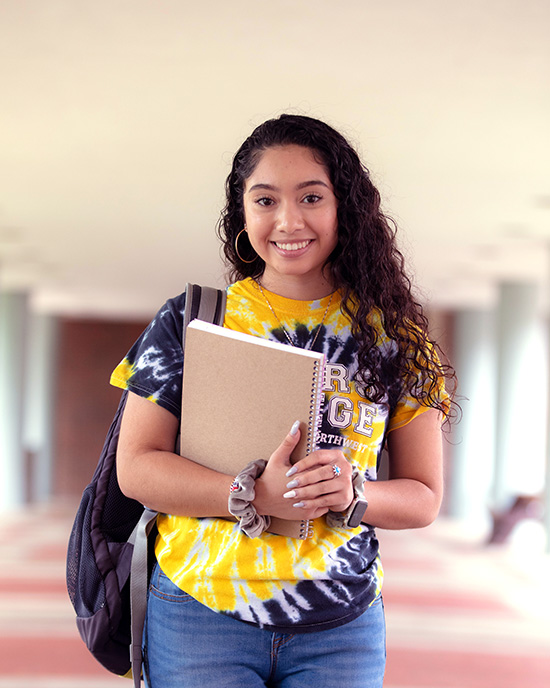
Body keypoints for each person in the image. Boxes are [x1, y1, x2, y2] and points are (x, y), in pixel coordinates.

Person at [111, 113, 456, 688]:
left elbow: (423, 498)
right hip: (200, 613)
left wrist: (354, 491)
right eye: (265, 200)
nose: (288, 220)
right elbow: (137, 468)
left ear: (345, 207)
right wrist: (250, 494)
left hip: (340, 627)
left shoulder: (394, 336)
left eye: (311, 197)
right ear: (242, 215)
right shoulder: (193, 320)